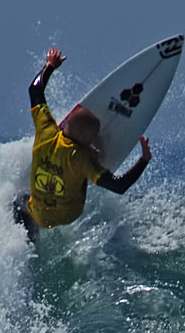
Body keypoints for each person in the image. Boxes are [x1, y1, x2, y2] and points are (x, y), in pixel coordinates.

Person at [13, 46, 152, 240]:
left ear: (66, 124)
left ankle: (30, 243)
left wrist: (50, 66)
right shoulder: (82, 159)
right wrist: (144, 160)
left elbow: (34, 89)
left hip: (39, 214)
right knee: (88, 169)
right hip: (68, 215)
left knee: (18, 199)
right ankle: (91, 166)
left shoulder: (46, 131)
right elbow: (120, 186)